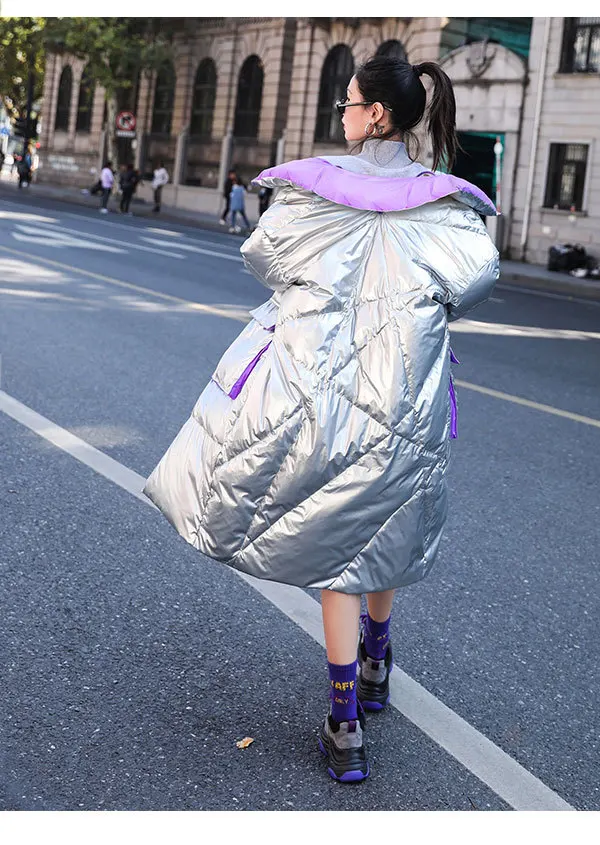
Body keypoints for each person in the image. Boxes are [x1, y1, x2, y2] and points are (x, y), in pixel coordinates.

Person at [143, 56, 499, 784]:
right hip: (408, 393)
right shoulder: (448, 206)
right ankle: (378, 653)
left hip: (323, 395)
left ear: (375, 116)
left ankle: (344, 725)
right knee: (385, 526)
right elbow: (474, 281)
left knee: (340, 542)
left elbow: (261, 257)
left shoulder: (309, 197)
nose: (340, 112)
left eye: (348, 102)